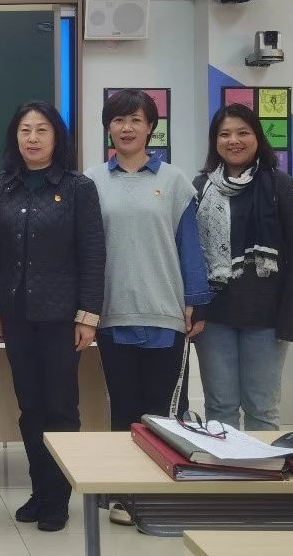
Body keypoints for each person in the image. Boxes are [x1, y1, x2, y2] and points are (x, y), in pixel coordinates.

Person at [84, 88, 210, 526]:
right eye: (118, 120)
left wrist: (195, 301)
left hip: (165, 315)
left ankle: (162, 497)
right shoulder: (91, 182)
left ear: (151, 127)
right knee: (123, 410)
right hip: (113, 313)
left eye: (136, 120)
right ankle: (125, 495)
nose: (126, 128)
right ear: (108, 127)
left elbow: (190, 247)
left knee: (163, 414)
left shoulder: (175, 182)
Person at [0, 101, 105, 532]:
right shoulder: (1, 185)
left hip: (61, 317)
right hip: (15, 314)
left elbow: (93, 254)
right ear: (15, 137)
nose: (32, 138)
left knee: (60, 407)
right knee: (29, 406)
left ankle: (58, 498)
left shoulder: (78, 187)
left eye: (41, 130)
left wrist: (88, 316)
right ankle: (39, 491)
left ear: (57, 137)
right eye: (25, 130)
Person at [192, 104, 293, 430]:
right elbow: (191, 255)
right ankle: (225, 464)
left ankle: (262, 465)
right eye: (225, 134)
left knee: (262, 409)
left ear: (257, 137)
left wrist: (290, 320)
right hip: (214, 317)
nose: (234, 140)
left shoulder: (281, 186)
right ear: (215, 141)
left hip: (267, 320)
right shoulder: (201, 187)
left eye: (242, 132)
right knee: (220, 407)